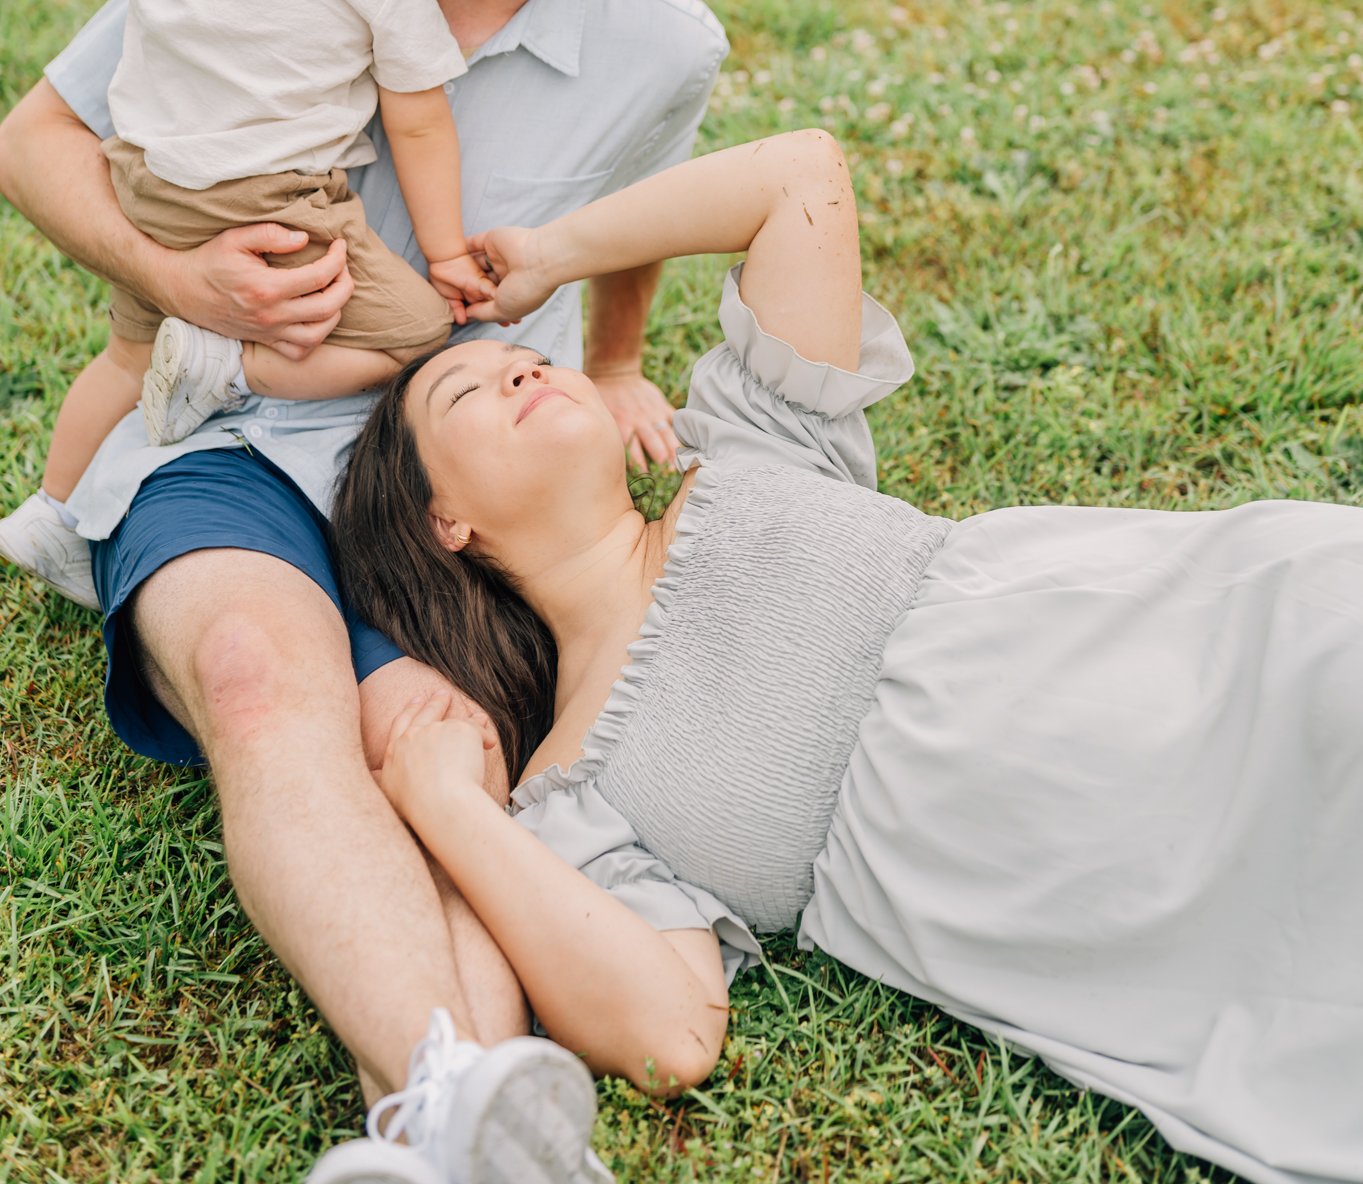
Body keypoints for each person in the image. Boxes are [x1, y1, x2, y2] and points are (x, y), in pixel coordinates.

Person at [0, 0, 727, 1184]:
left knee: (439, 750)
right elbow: (38, 138)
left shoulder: (661, 45)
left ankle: (456, 1131)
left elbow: (634, 202)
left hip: (449, 478)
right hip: (229, 442)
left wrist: (609, 361)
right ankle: (450, 1100)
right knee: (271, 686)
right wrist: (180, 276)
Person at [332, 127, 1363, 1184]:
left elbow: (800, 176)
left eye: (529, 359)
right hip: (1088, 882)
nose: (520, 373)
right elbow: (670, 1033)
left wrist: (552, 255)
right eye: (470, 393)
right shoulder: (572, 798)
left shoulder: (751, 445)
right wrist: (451, 808)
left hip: (1195, 644)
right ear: (442, 519)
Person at [0, 0, 495, 601]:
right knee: (417, 329)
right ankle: (226, 365)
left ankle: (51, 512)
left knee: (125, 354)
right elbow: (416, 118)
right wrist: (446, 251)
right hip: (268, 201)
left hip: (145, 175)